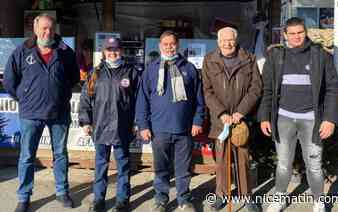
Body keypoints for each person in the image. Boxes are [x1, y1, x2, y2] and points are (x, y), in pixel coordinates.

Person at [258, 17, 338, 212]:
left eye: (300, 32)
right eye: (292, 33)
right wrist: (264, 116)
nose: (297, 37)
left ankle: (319, 201)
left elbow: (334, 88)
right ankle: (279, 197)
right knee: (284, 164)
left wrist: (329, 119)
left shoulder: (319, 55)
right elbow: (267, 90)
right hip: (283, 119)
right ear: (285, 35)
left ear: (306, 33)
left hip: (312, 120)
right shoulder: (276, 57)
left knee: (314, 164)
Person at [3, 13, 80, 212]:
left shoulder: (65, 52)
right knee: (27, 156)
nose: (48, 32)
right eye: (44, 28)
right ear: (35, 30)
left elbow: (73, 78)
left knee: (61, 154)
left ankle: (62, 192)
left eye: (51, 28)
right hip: (31, 114)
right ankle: (24, 196)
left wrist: (60, 95)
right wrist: (25, 97)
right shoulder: (22, 52)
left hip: (59, 113)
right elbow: (10, 81)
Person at [135, 30, 205, 212]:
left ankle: (184, 199)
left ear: (178, 45)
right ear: (160, 46)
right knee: (161, 168)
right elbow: (142, 100)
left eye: (172, 44)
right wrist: (143, 125)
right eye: (165, 44)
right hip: (159, 129)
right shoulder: (151, 69)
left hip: (184, 129)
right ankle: (161, 199)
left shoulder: (189, 68)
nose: (169, 47)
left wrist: (198, 121)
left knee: (183, 169)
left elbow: (199, 99)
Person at [202, 27, 262, 212]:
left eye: (230, 40)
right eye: (223, 40)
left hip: (240, 120)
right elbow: (207, 91)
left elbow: (256, 88)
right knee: (221, 160)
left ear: (236, 40)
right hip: (221, 120)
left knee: (243, 159)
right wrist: (221, 113)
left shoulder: (249, 59)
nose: (227, 43)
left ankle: (246, 195)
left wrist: (241, 112)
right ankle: (222, 195)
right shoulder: (209, 60)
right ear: (218, 42)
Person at [78, 37, 139, 212]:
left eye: (116, 49)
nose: (113, 53)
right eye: (109, 50)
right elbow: (85, 100)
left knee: (123, 165)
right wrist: (86, 121)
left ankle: (122, 200)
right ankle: (98, 200)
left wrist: (137, 122)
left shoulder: (132, 72)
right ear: (104, 52)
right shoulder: (95, 73)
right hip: (100, 126)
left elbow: (139, 101)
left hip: (122, 126)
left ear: (121, 51)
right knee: (100, 165)